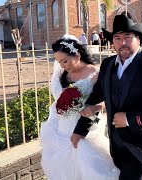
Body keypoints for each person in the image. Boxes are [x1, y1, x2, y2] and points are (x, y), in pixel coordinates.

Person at [72, 15, 142, 180]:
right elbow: (96, 96)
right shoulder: (108, 65)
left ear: (138, 39)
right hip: (116, 144)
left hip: (141, 144)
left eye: (127, 37)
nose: (122, 42)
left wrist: (129, 119)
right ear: (112, 41)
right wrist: (80, 130)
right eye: (117, 38)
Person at [40, 34, 118, 179]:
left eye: (65, 61)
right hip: (65, 124)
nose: (62, 66)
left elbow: (103, 99)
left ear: (76, 56)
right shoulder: (63, 76)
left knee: (88, 163)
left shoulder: (95, 72)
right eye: (59, 62)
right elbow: (58, 98)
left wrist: (94, 108)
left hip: (87, 122)